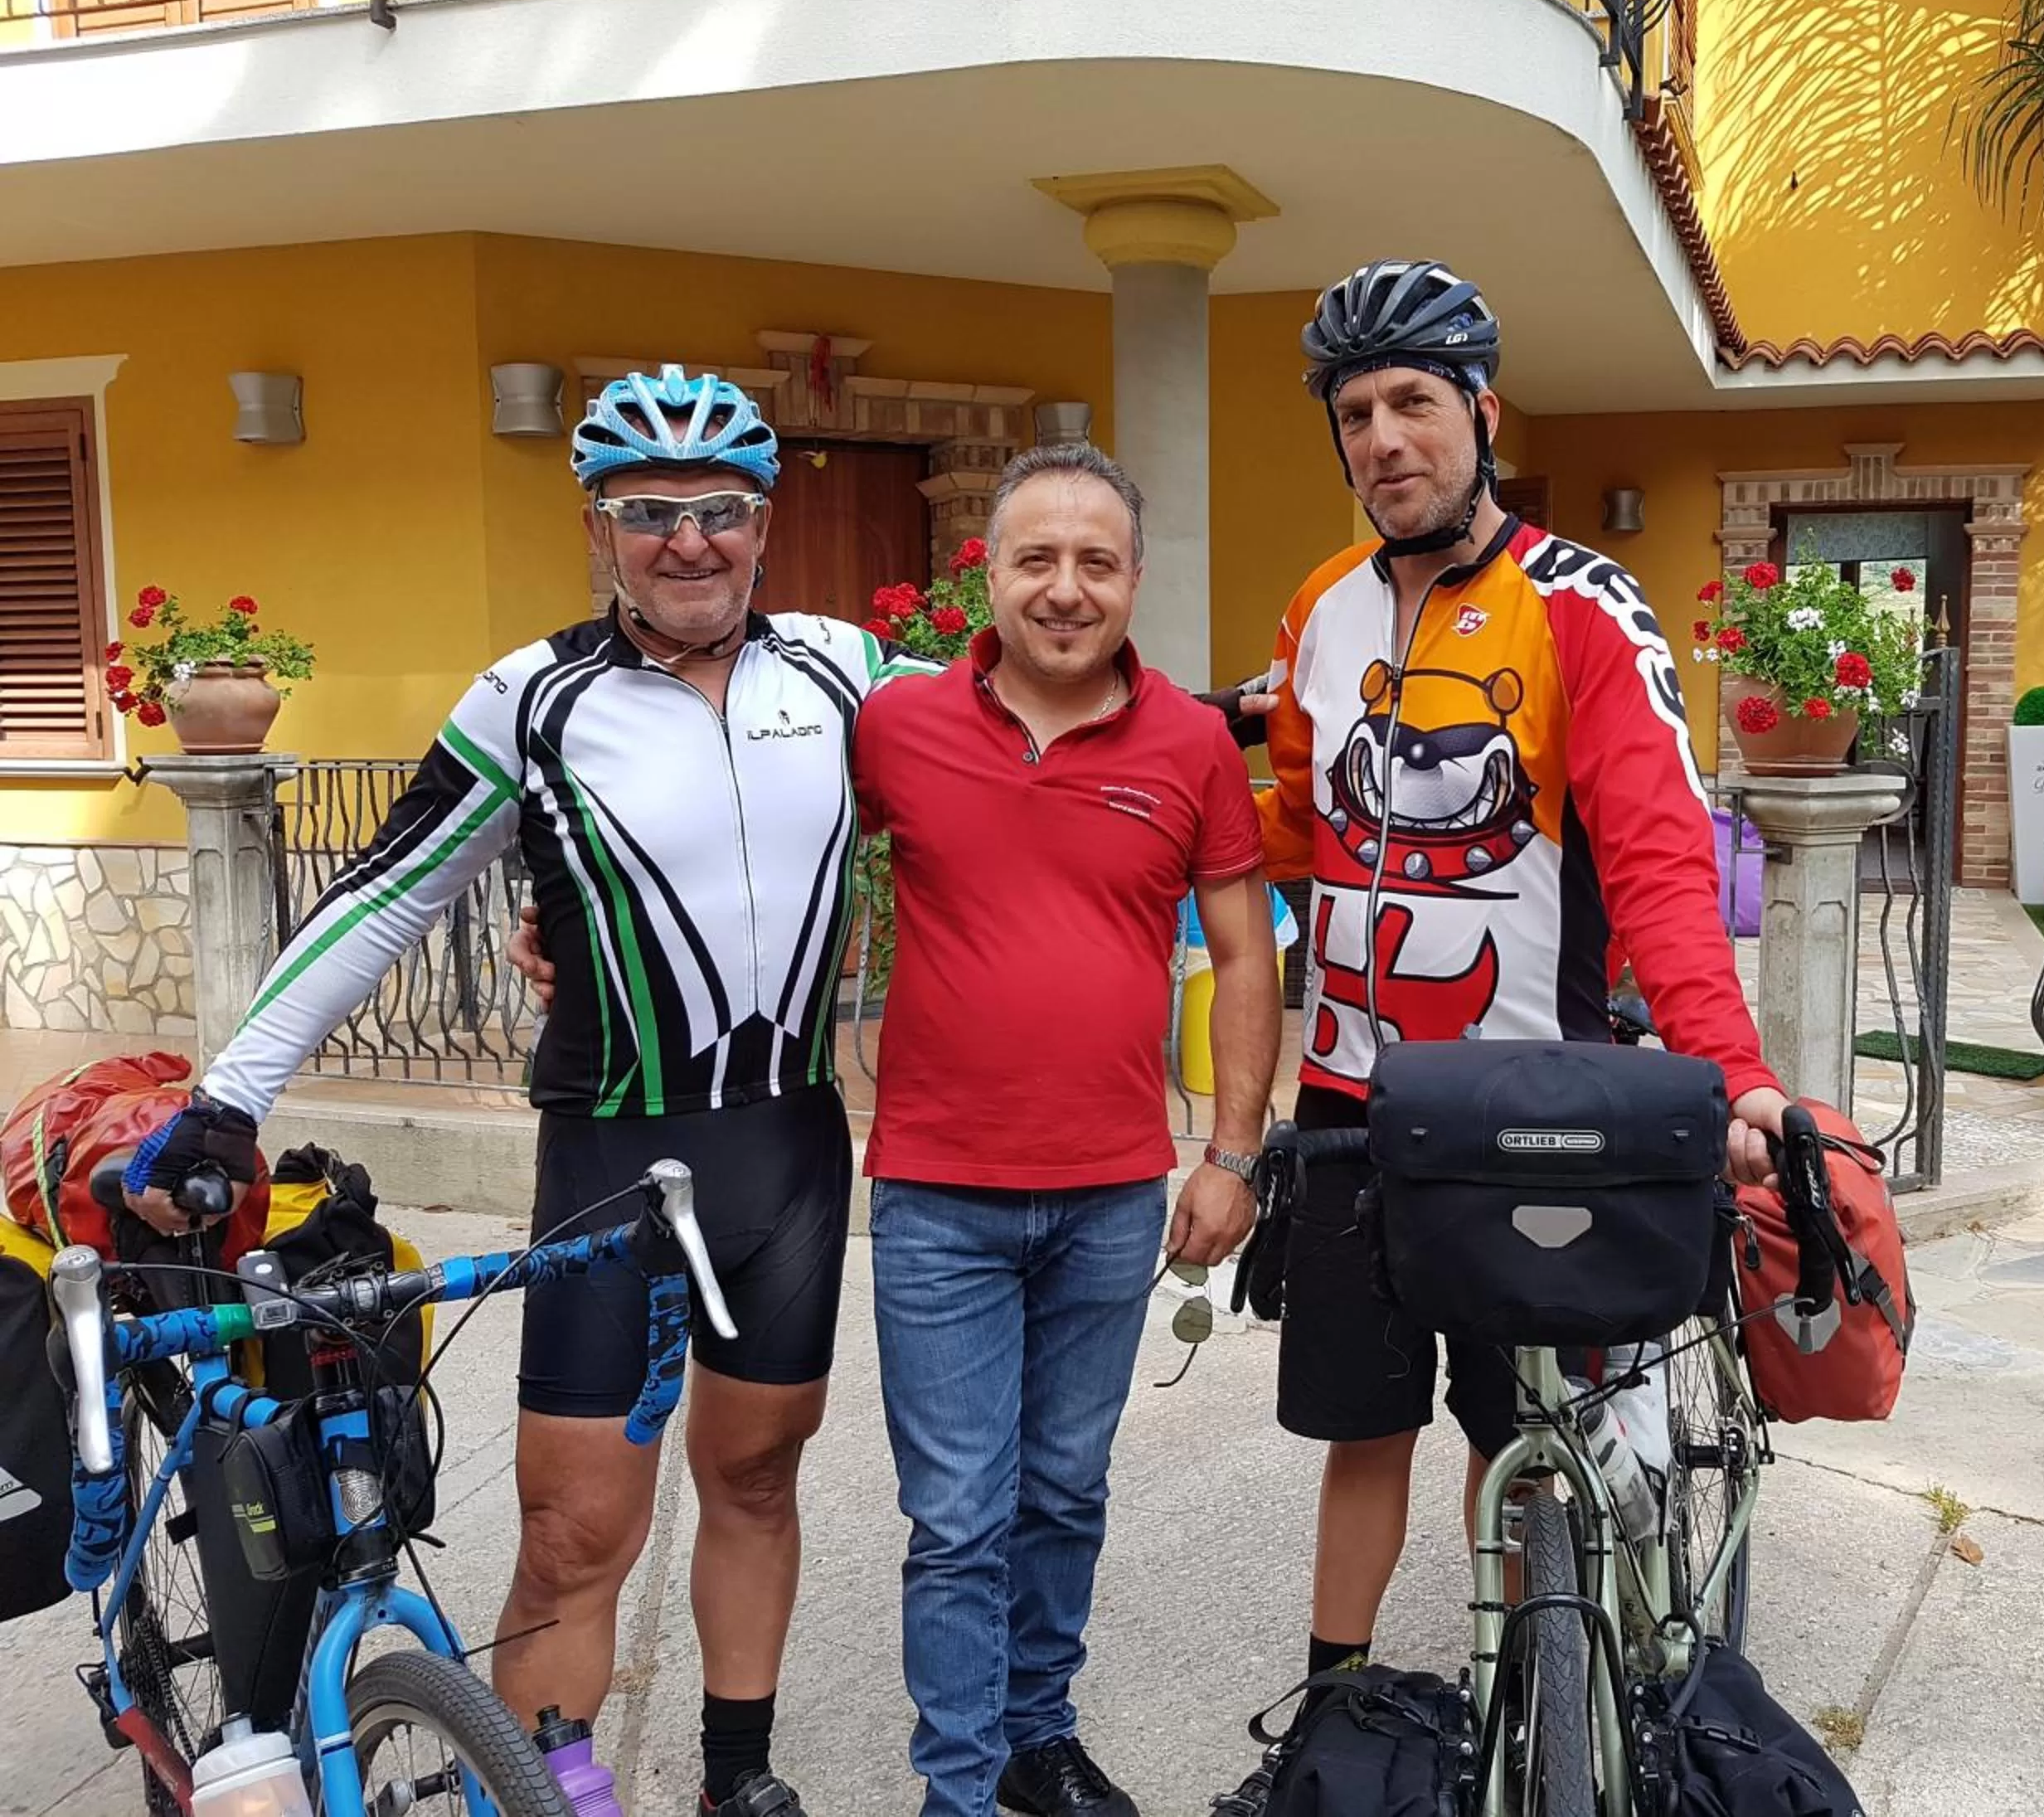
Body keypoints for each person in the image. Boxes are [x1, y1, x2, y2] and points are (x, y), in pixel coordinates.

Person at [129, 364, 928, 1817]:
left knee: (755, 1480)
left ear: (765, 523)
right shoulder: (531, 697)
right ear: (598, 524)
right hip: (616, 1167)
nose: (689, 541)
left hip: (795, 1156)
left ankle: (737, 1773)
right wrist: (229, 1096)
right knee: (573, 1530)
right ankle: (548, 1791)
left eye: (720, 511)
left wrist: (1245, 727)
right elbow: (383, 898)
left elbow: (1037, 748)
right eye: (651, 512)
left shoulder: (845, 668)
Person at [509, 442, 1281, 1817]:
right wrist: (576, 925)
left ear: (1134, 580)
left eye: (1094, 562)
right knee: (961, 1514)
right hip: (936, 1193)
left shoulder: (1192, 745)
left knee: (1064, 1493)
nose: (1064, 588)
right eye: (1035, 559)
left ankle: (1039, 1734)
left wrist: (1231, 1151)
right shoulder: (900, 724)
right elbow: (742, 828)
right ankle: (962, 1785)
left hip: (1114, 1192)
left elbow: (1242, 946)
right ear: (987, 576)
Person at [1228, 260, 1789, 1702]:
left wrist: (1732, 1070)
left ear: (1481, 409)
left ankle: (1521, 1695)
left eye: (1413, 402)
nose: (1384, 440)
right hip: (1352, 1095)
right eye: (1355, 413)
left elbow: (1662, 865)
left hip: (1530, 1098)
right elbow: (1294, 821)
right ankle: (1334, 1713)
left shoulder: (1583, 605)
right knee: (1363, 1425)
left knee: (1518, 1418)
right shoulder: (1322, 606)